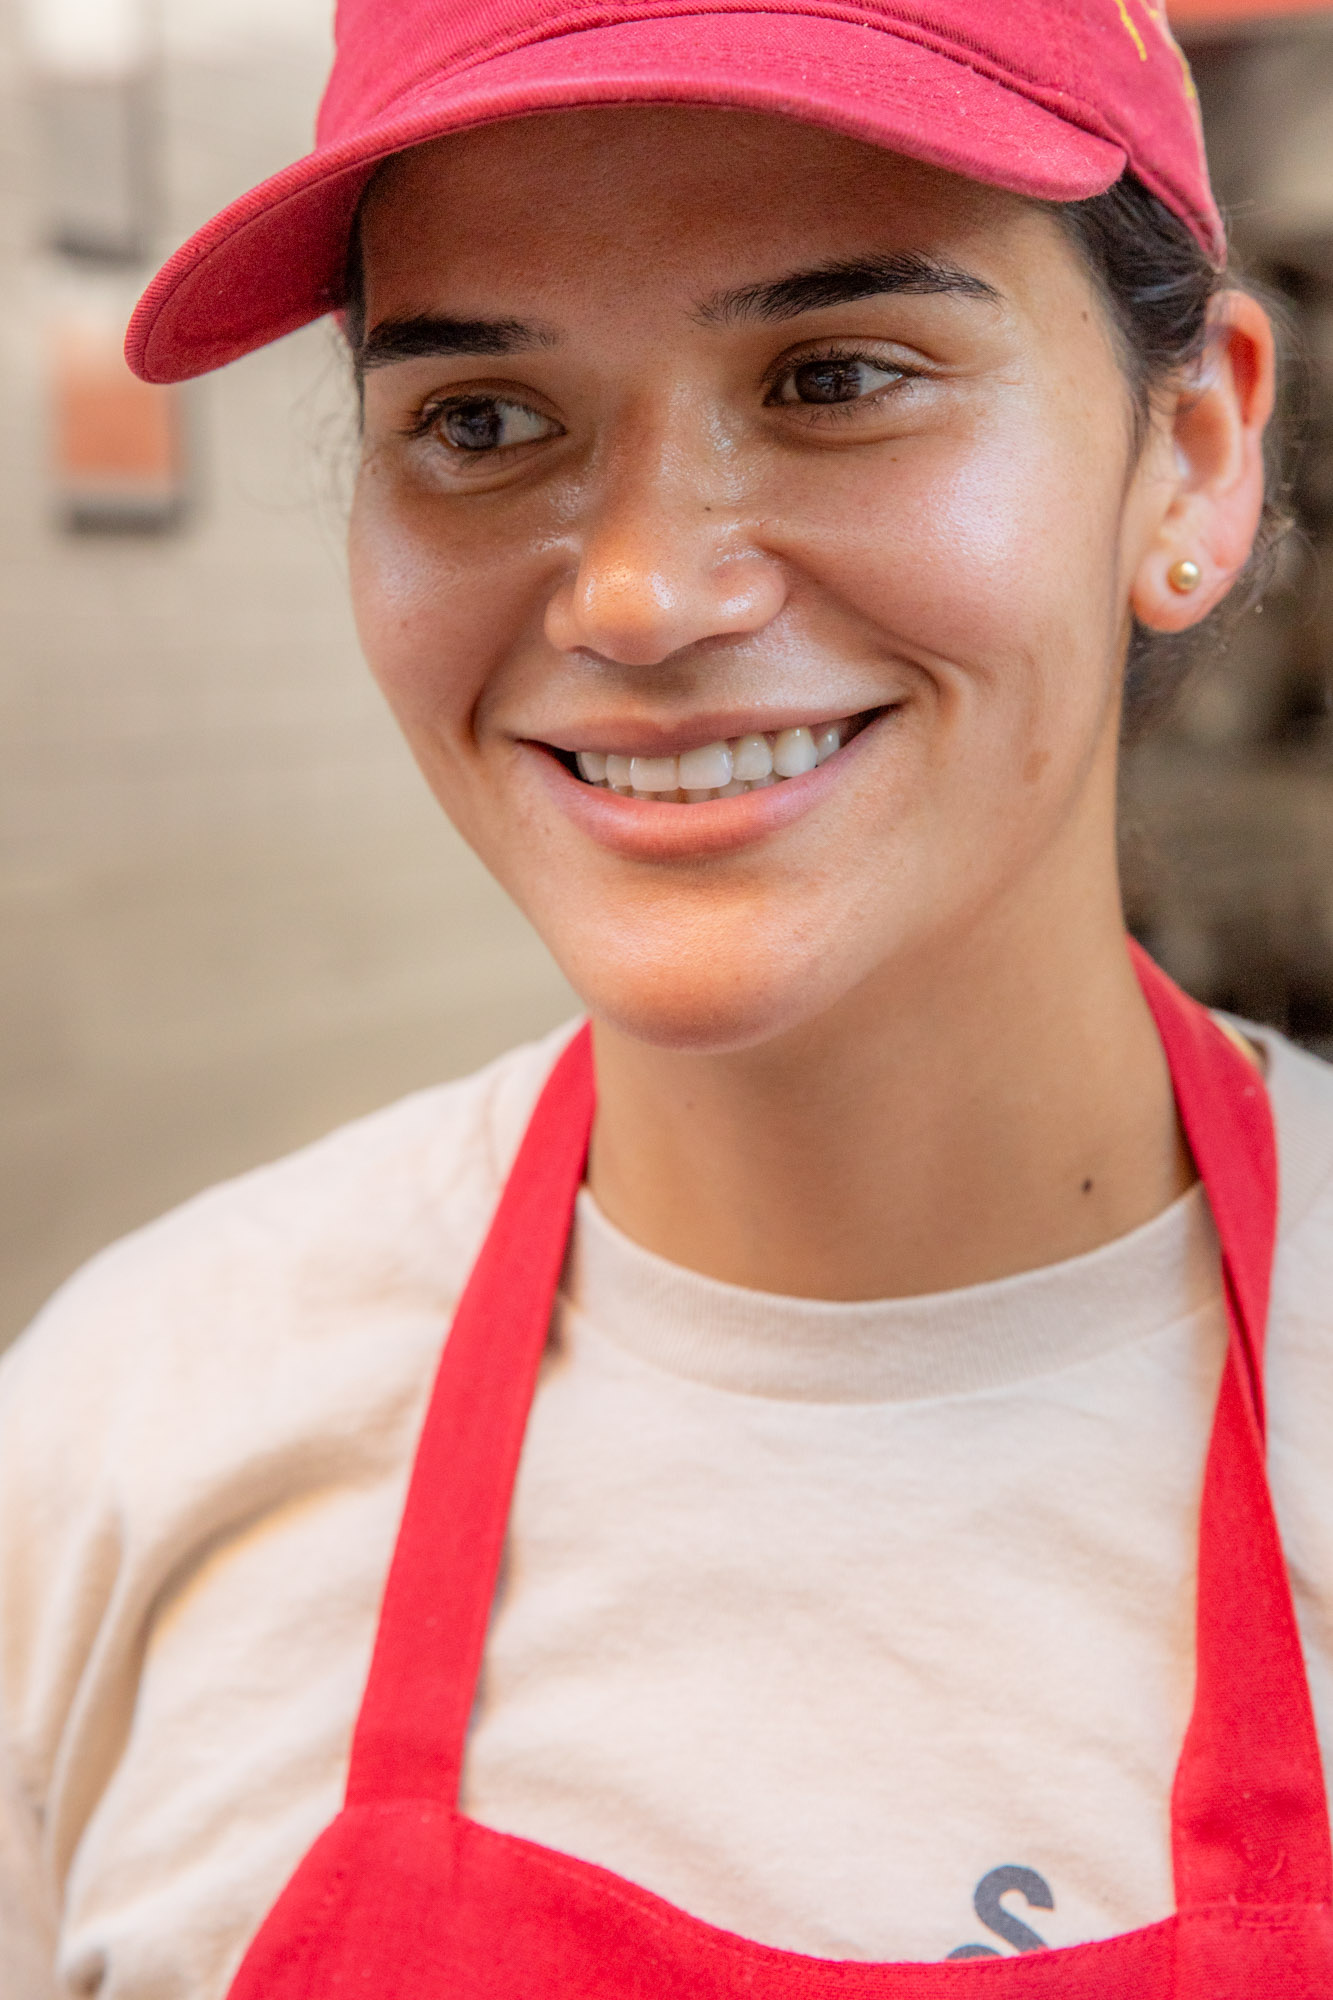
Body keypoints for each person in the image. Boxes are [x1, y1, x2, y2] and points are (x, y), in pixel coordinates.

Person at [2, 0, 1331, 1992]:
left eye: (838, 376)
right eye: (479, 419)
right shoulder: (128, 1444)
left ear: (1195, 454)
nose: (635, 595)